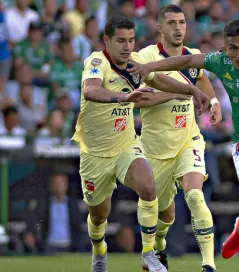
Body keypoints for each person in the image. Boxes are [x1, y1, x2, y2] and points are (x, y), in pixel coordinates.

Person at [128, 19, 239, 272]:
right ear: (225, 49)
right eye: (233, 48)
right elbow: (187, 61)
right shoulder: (220, 61)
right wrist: (150, 67)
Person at [71, 15, 209, 272]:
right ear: (107, 40)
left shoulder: (134, 65)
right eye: (121, 41)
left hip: (126, 145)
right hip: (95, 153)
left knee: (148, 187)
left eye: (131, 40)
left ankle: (148, 253)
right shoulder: (96, 61)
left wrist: (190, 90)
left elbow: (157, 81)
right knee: (99, 215)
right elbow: (90, 91)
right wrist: (123, 99)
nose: (127, 46)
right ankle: (99, 250)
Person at [135, 5, 222, 272]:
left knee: (195, 195)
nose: (178, 28)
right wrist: (176, 94)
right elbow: (139, 100)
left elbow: (202, 78)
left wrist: (215, 101)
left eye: (182, 22)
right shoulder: (145, 57)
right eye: (171, 23)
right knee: (166, 215)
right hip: (156, 147)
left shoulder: (193, 55)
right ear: (160, 28)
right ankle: (158, 245)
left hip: (189, 139)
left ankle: (208, 265)